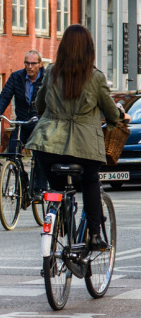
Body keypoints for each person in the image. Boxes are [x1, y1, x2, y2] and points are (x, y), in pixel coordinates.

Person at [25, 24, 126, 252]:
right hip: (84, 148)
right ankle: (95, 236)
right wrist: (120, 114)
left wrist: (51, 117)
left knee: (57, 188)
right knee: (90, 182)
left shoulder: (51, 72)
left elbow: (39, 105)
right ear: (88, 49)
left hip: (47, 144)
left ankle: (58, 224)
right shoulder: (95, 77)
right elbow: (110, 112)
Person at [0, 49, 48, 197]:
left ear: (40, 64)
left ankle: (39, 188)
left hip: (39, 122)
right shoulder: (17, 76)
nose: (29, 67)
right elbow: (5, 96)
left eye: (33, 64)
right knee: (12, 152)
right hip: (22, 121)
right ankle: (23, 179)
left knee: (40, 154)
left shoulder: (47, 78)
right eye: (27, 63)